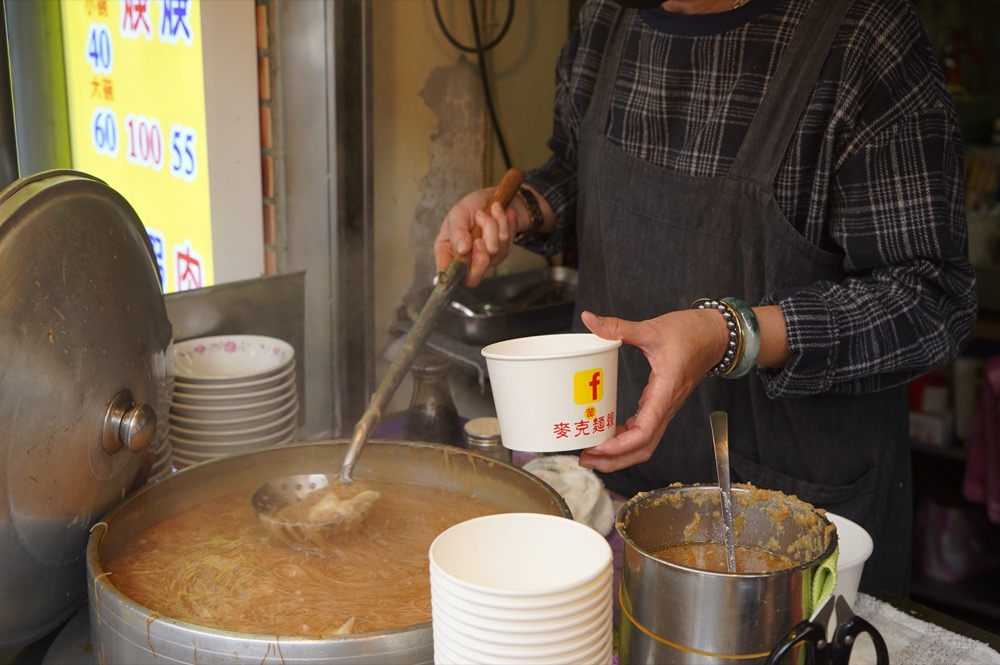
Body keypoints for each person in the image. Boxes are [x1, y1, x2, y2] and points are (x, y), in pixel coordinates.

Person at [433, 0, 977, 596]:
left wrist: (730, 333)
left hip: (791, 515)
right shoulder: (606, 18)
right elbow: (574, 169)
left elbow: (929, 299)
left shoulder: (864, 40)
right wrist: (522, 209)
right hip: (621, 482)